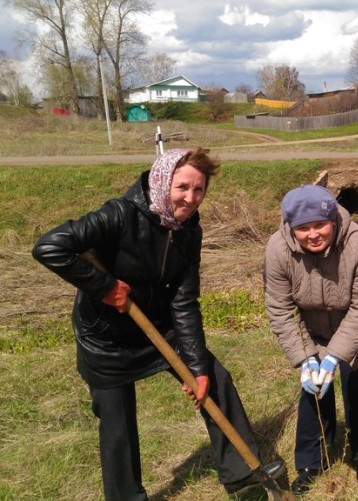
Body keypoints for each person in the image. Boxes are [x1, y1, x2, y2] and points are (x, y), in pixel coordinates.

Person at [31, 148, 281, 501]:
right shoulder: (118, 215)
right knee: (117, 423)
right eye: (183, 187)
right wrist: (105, 288)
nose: (191, 198)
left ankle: (243, 476)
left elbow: (184, 300)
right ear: (164, 182)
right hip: (106, 337)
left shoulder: (189, 230)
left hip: (158, 326)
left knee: (215, 380)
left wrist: (196, 368)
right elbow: (48, 247)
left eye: (199, 190)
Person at [263, 185, 358, 494]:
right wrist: (306, 358)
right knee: (314, 389)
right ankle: (310, 462)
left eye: (320, 225)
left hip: (356, 325)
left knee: (357, 384)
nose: (313, 234)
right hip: (311, 329)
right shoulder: (278, 249)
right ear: (291, 227)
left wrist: (335, 356)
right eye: (303, 228)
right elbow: (280, 308)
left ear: (333, 219)